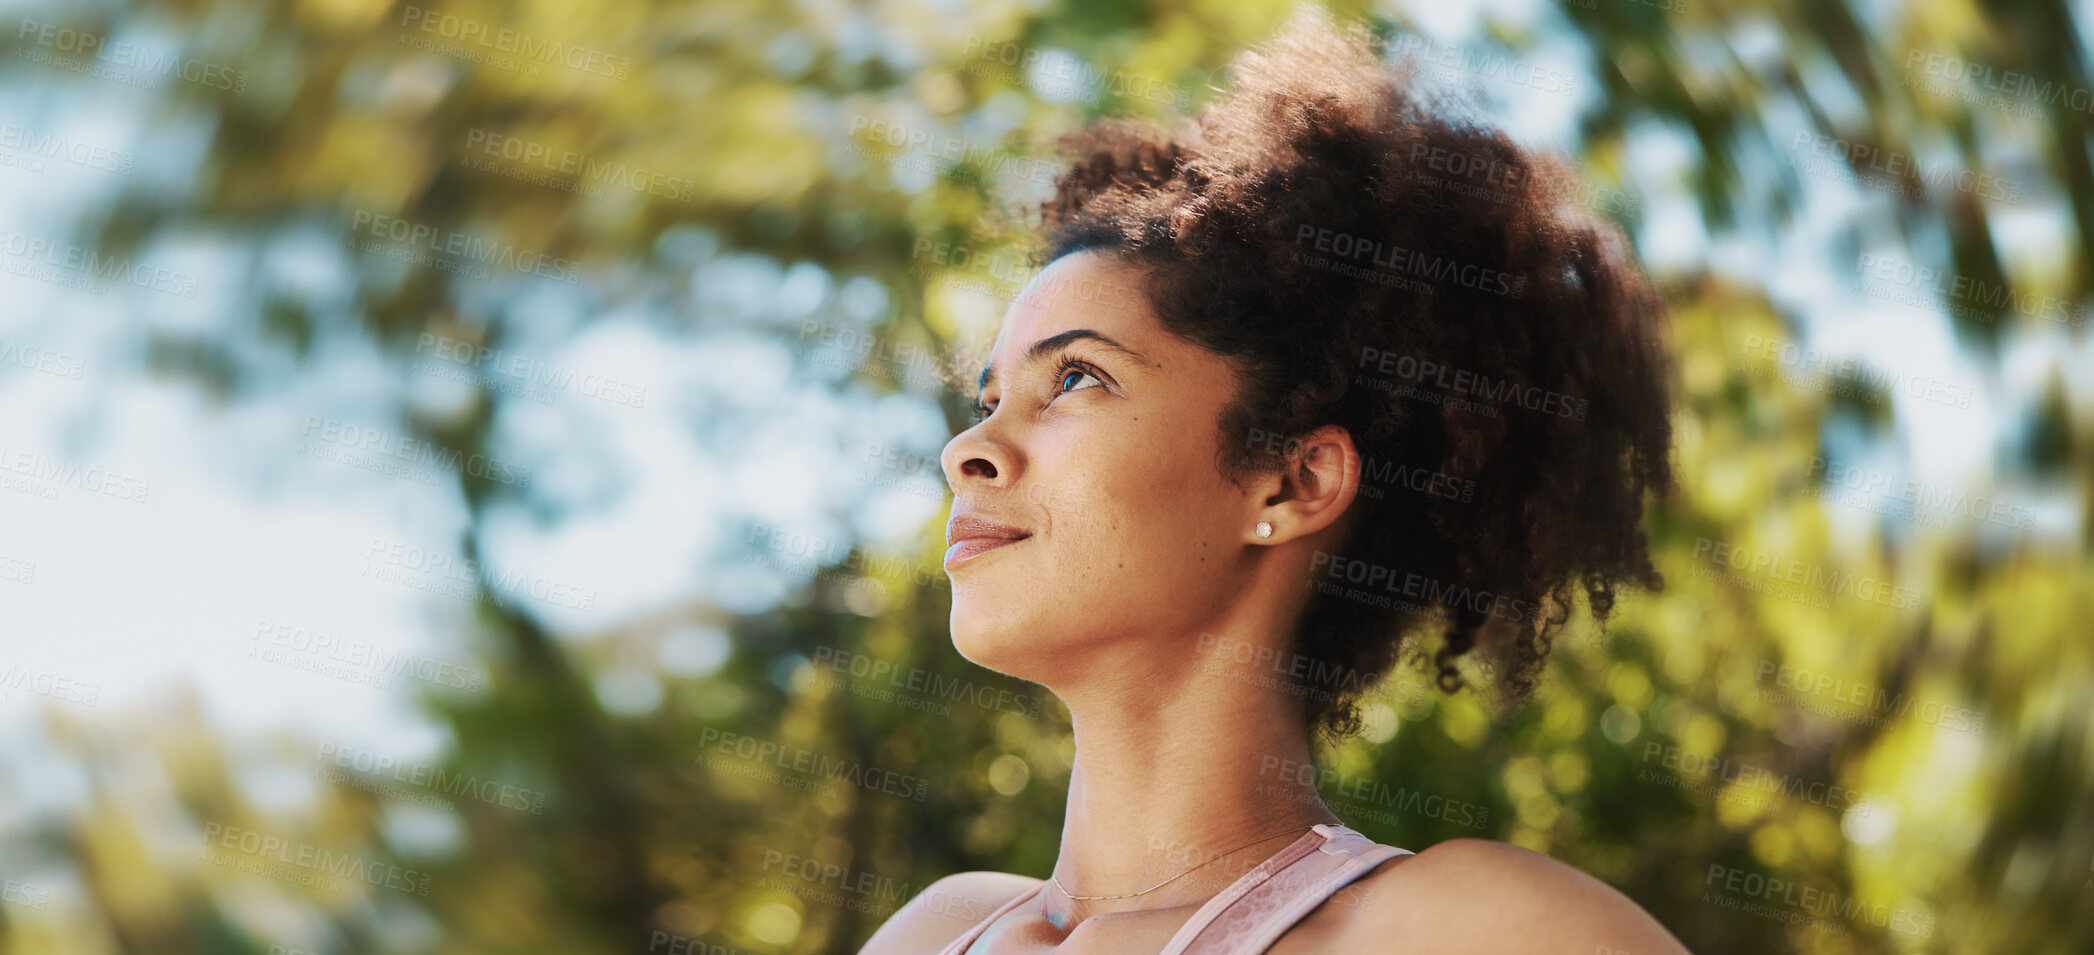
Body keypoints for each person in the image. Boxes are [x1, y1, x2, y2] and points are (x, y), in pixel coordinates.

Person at [863, 8, 1688, 953]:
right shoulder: (932, 932)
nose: (967, 448)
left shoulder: (1458, 927)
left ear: (1294, 482)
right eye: (990, 394)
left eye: (1077, 377)